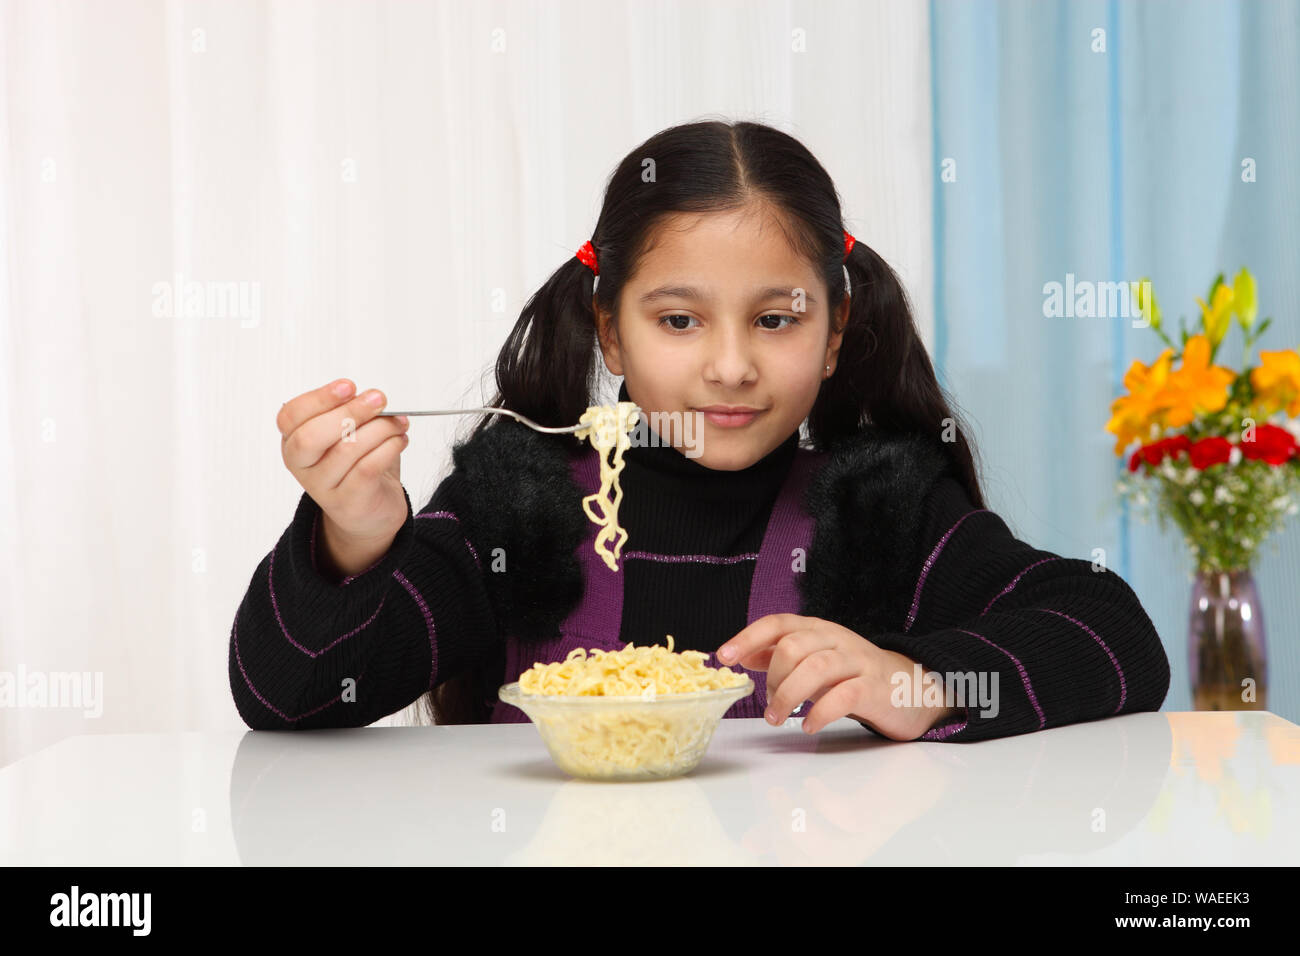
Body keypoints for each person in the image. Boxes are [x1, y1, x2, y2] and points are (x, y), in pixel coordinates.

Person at [229, 119, 1170, 742]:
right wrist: (351, 537)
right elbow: (289, 698)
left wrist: (920, 680)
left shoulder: (881, 505)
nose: (730, 366)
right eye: (679, 321)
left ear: (835, 334)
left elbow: (1117, 637)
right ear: (610, 329)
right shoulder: (515, 505)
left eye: (777, 319)